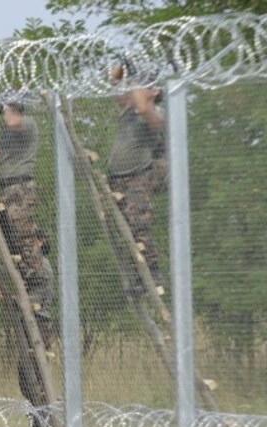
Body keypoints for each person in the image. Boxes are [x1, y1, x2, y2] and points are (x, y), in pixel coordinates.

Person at [0, 102, 55, 427]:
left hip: (39, 323)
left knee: (35, 375)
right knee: (26, 378)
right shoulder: (9, 131)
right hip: (9, 186)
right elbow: (2, 146)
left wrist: (9, 106)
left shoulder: (25, 124)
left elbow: (13, 122)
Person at [107, 64, 166, 295]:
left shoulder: (154, 116)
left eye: (146, 85)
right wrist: (121, 72)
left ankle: (153, 275)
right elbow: (115, 88)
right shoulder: (129, 111)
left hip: (137, 179)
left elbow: (143, 106)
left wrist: (135, 82)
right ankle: (136, 277)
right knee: (124, 232)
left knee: (139, 227)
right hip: (117, 179)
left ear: (155, 92)